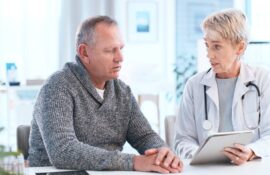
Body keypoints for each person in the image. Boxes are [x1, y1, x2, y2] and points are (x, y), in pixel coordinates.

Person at [28, 16, 183, 173]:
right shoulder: (57, 86)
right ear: (84, 52)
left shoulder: (122, 92)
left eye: (121, 49)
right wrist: (134, 161)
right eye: (110, 50)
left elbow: (145, 136)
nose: (120, 58)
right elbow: (63, 151)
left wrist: (162, 153)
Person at [174, 9, 270, 165]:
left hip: (249, 168)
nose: (209, 54)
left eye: (216, 47)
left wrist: (252, 151)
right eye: (207, 45)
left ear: (240, 48)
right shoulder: (194, 85)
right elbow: (183, 140)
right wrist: (200, 155)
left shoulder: (262, 79)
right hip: (207, 169)